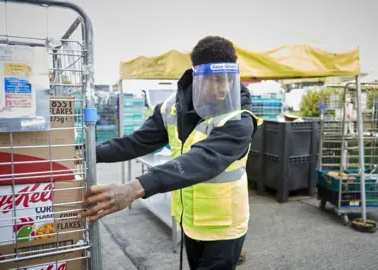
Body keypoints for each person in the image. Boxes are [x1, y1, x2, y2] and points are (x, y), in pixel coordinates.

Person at [79, 36, 261, 270]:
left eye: (229, 79)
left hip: (224, 227)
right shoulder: (172, 108)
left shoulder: (240, 118)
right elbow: (137, 142)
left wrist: (134, 188)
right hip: (190, 221)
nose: (225, 88)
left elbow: (202, 160)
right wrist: (88, 154)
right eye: (216, 79)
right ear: (197, 76)